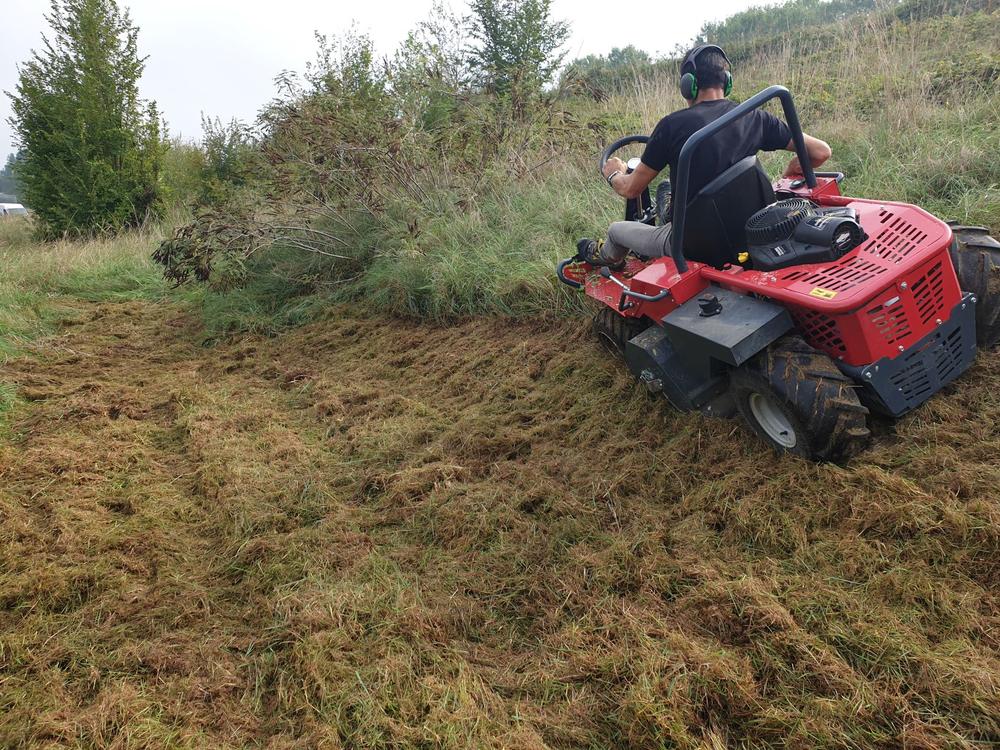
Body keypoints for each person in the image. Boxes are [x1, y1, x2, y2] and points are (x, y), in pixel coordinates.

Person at [577, 44, 833, 269]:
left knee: (616, 230)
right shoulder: (755, 116)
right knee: (668, 189)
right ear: (728, 81)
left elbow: (631, 189)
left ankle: (609, 258)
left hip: (693, 245)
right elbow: (821, 152)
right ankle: (667, 205)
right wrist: (791, 171)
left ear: (688, 85)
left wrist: (613, 172)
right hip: (754, 232)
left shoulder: (671, 126)